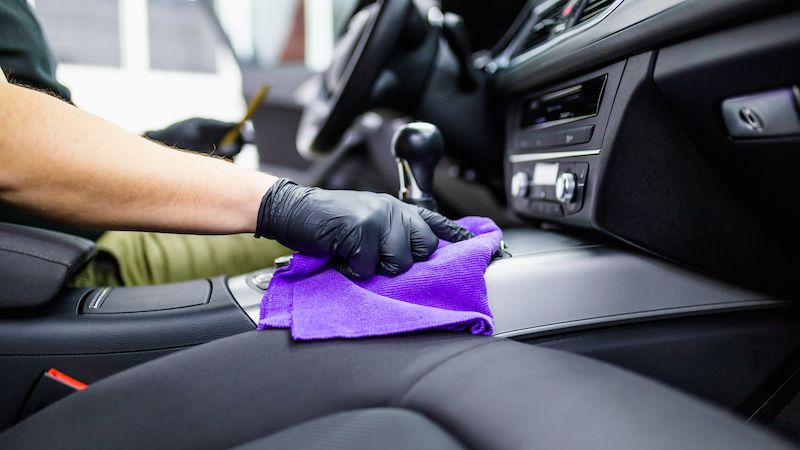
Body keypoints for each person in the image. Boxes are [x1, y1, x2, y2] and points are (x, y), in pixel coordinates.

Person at [0, 0, 469, 285]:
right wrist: (280, 205)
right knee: (359, 252)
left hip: (63, 233)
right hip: (60, 257)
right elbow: (11, 144)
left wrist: (160, 142)